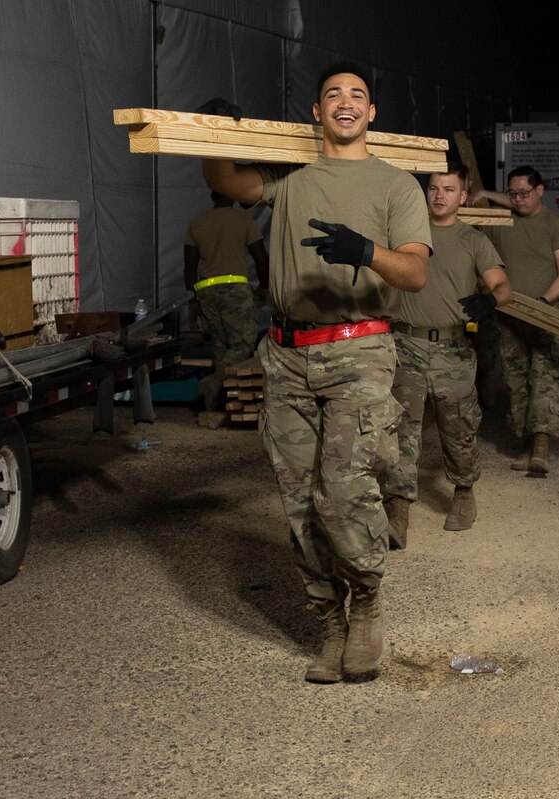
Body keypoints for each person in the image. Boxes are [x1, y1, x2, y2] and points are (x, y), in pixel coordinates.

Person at [202, 63, 431, 685]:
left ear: (372, 113)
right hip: (287, 352)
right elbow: (226, 177)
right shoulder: (290, 173)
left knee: (344, 488)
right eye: (334, 94)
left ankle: (368, 601)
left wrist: (367, 252)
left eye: (358, 94)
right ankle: (329, 619)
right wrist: (213, 129)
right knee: (298, 497)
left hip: (359, 351)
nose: (346, 102)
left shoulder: (397, 185)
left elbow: (414, 273)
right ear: (317, 112)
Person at [379, 166, 509, 544]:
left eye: (449, 189)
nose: (439, 195)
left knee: (459, 427)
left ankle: (464, 492)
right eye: (434, 188)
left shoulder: (473, 240)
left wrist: (490, 297)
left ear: (463, 196)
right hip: (406, 345)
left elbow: (503, 285)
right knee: (400, 427)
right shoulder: (404, 236)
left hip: (453, 348)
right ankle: (397, 508)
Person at [484, 166, 559, 475]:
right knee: (515, 380)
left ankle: (540, 447)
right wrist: (483, 194)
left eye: (524, 193)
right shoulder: (500, 224)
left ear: (540, 190)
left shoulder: (558, 225)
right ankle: (524, 442)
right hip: (509, 314)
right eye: (513, 194)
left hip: (546, 313)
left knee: (544, 378)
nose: (518, 199)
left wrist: (543, 304)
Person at [183, 163, 268, 415]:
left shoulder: (197, 223)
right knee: (243, 343)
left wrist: (193, 299)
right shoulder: (243, 220)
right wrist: (264, 288)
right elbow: (261, 258)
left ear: (212, 195)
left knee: (221, 345)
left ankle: (220, 405)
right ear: (232, 195)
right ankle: (215, 383)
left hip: (206, 291)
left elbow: (188, 266)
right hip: (235, 290)